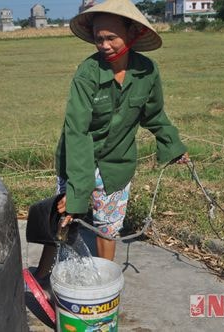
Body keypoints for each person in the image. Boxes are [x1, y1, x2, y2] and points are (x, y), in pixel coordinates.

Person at [32, 0, 189, 281]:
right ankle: (41, 276)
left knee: (108, 227)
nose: (104, 45)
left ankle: (106, 281)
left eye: (111, 38)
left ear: (132, 33)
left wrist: (173, 145)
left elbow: (154, 115)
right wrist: (77, 192)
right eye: (98, 38)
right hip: (78, 159)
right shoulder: (87, 73)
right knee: (65, 217)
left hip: (118, 161)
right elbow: (77, 132)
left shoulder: (147, 72)